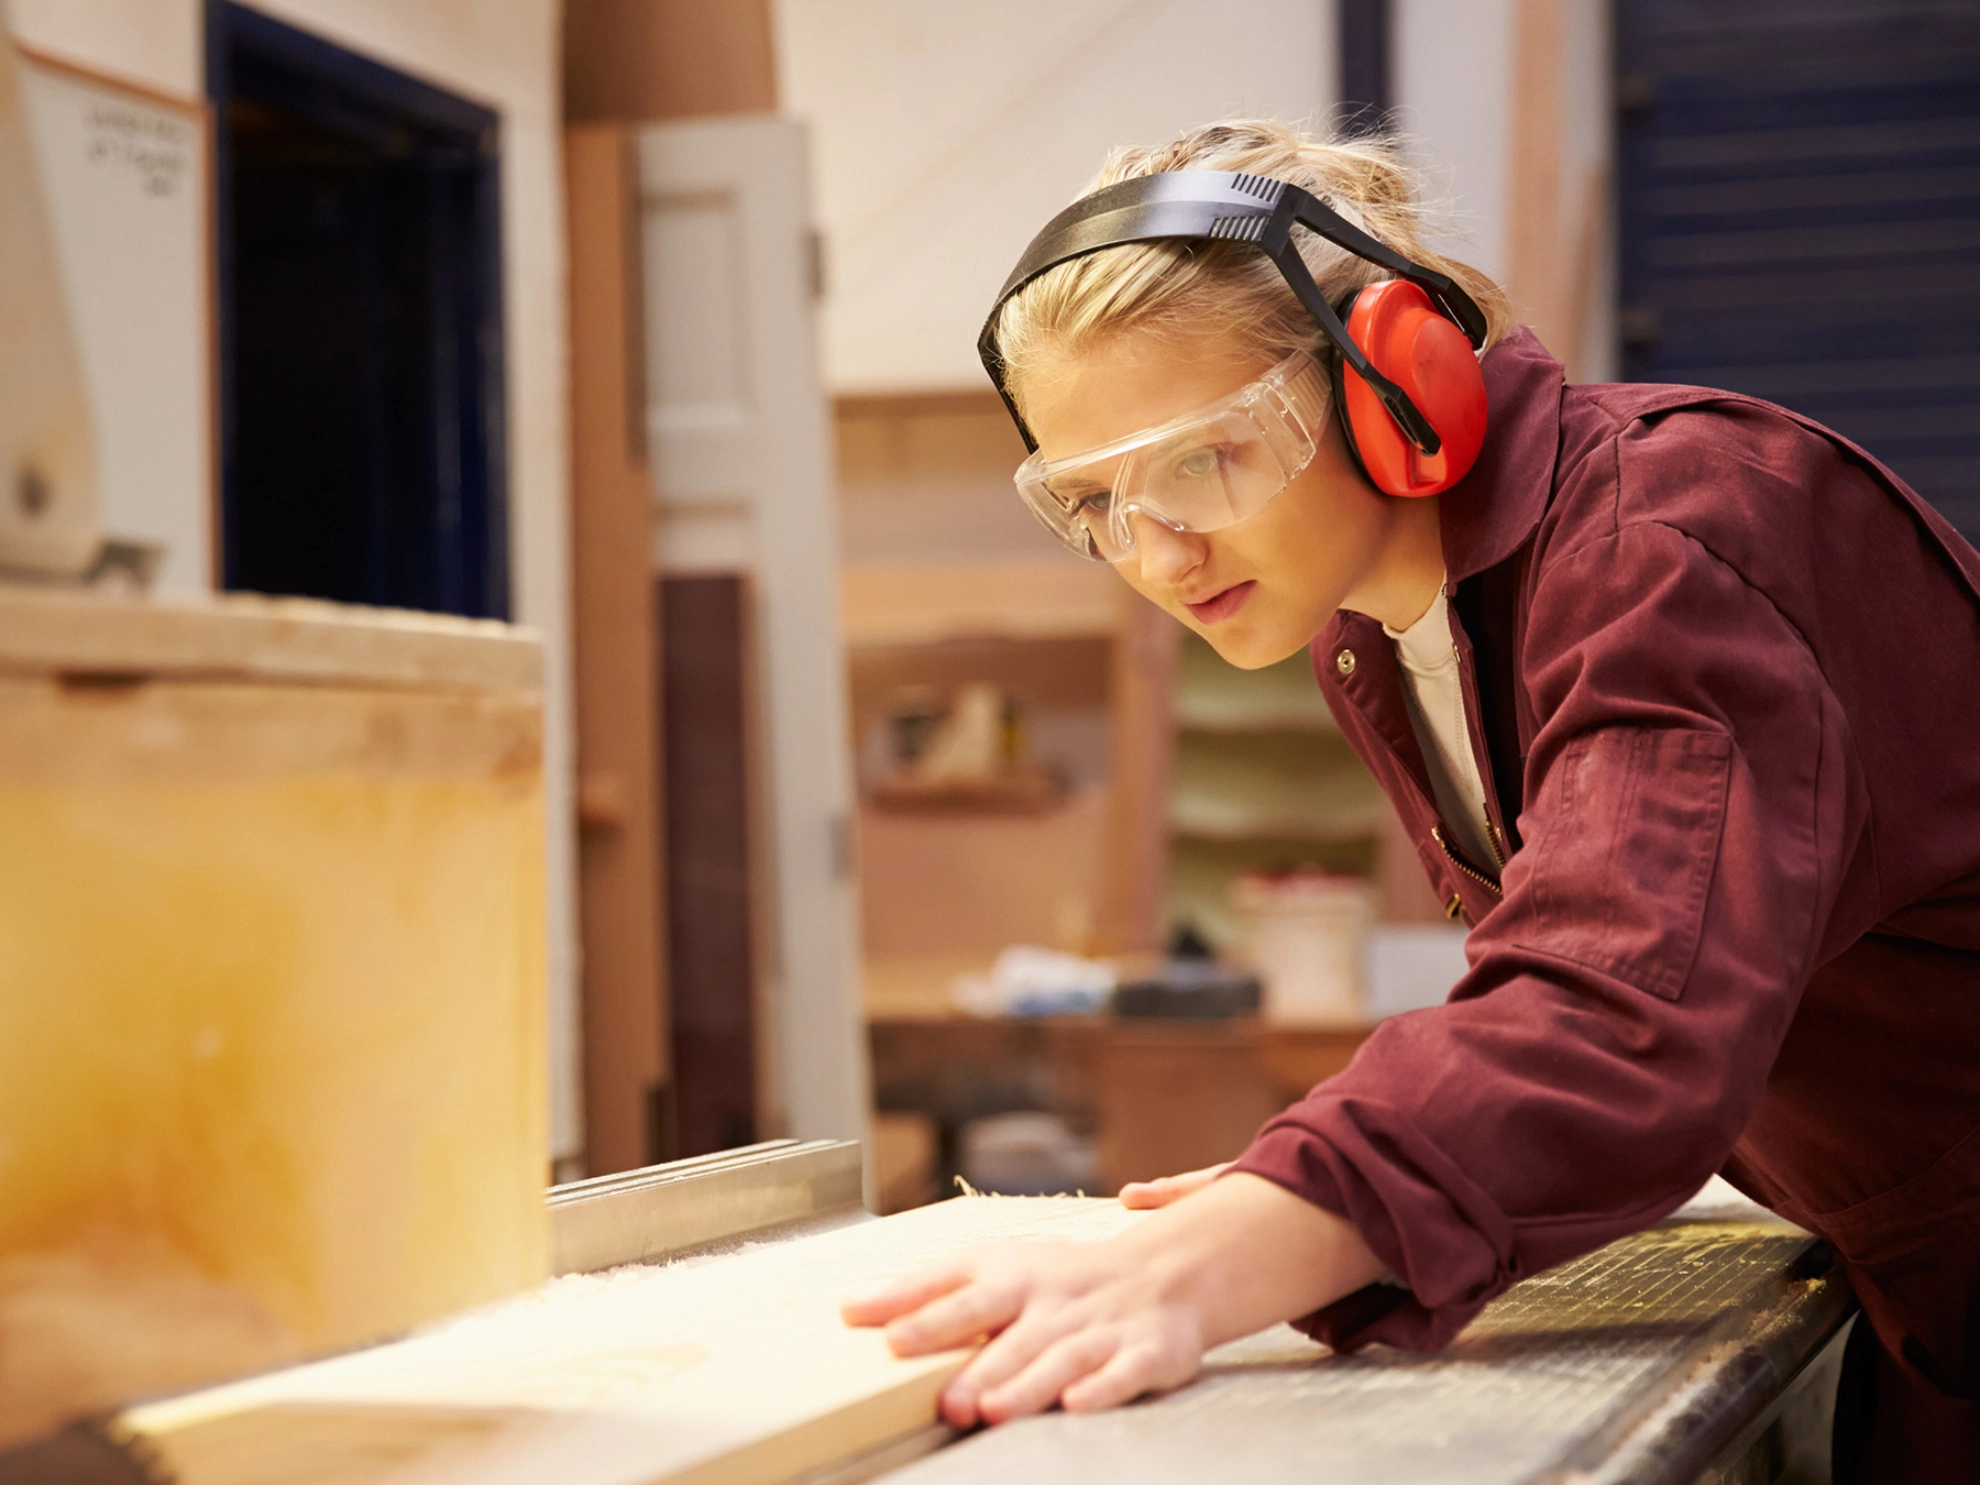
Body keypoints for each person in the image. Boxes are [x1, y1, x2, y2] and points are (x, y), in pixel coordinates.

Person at [839, 119, 1980, 1482]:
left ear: (1394, 374)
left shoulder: (1670, 541)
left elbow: (1620, 1003)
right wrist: (1321, 1191)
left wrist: (1243, 1243)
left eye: (1202, 459)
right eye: (1093, 501)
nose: (1155, 555)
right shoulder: (1379, 638)